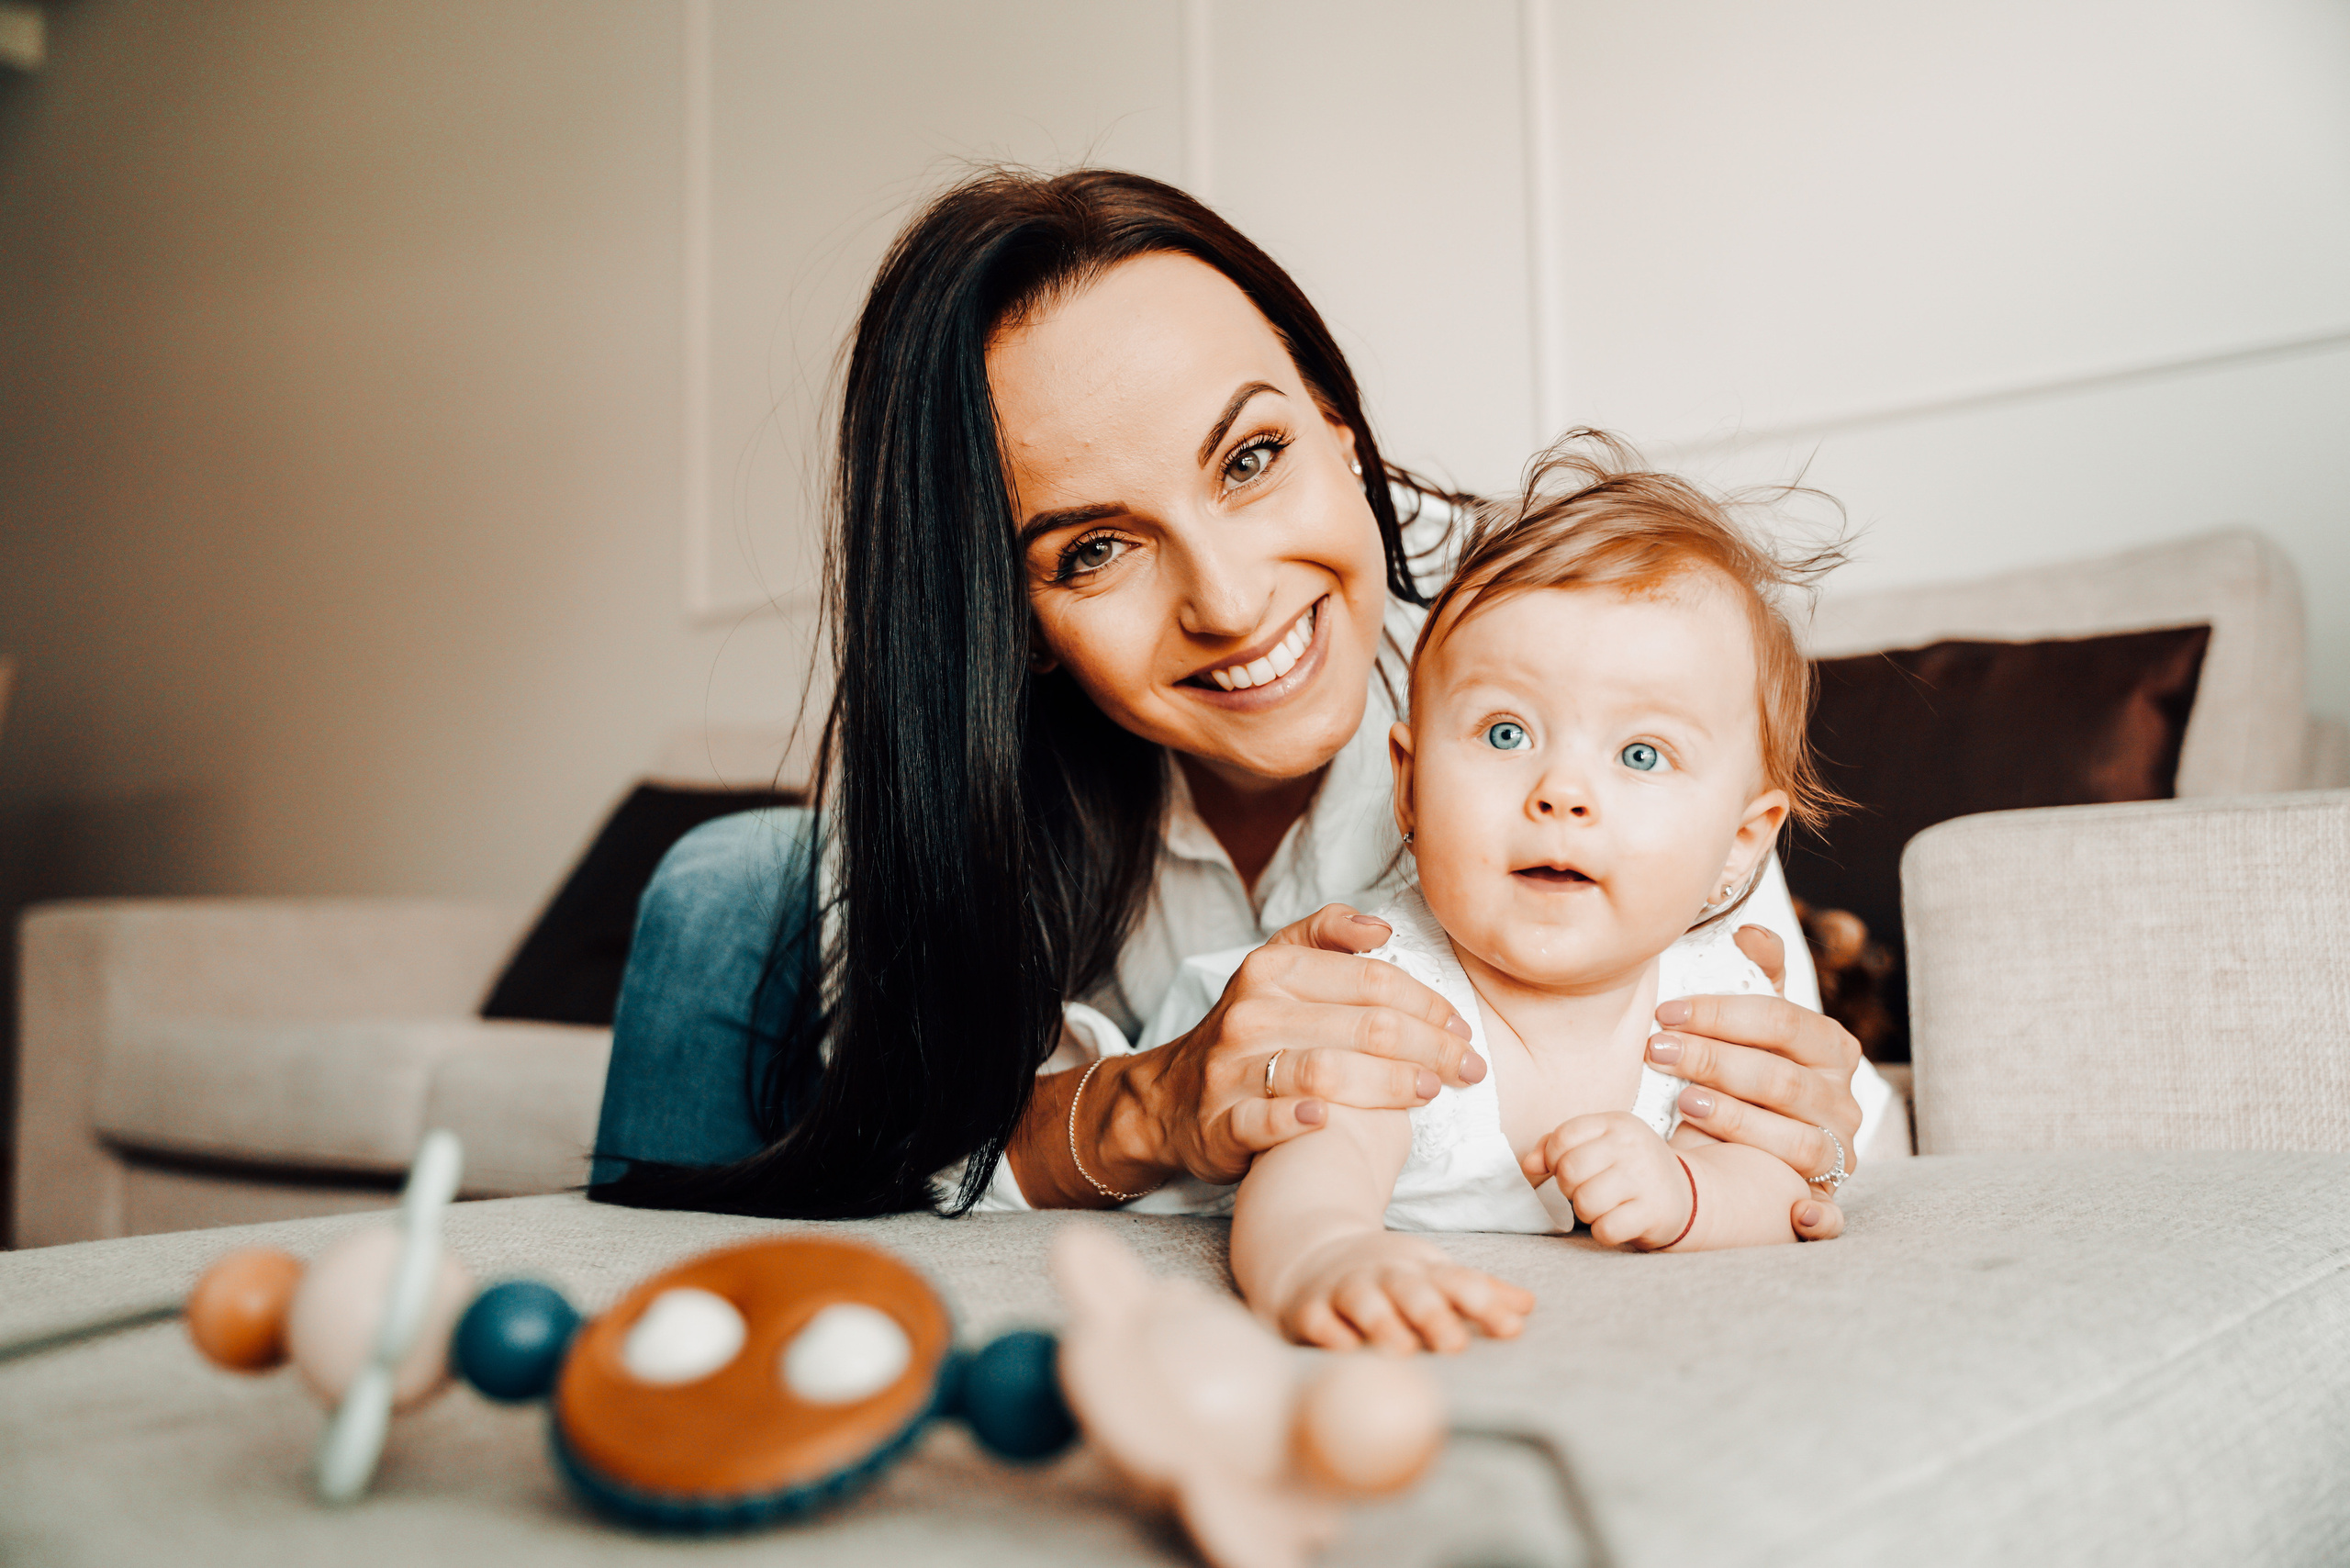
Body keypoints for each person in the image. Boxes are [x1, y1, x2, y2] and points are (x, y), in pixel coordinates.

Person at [589, 168, 1867, 1231]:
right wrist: (1150, 1103)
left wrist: (1793, 1133)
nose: (1230, 600)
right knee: (730, 879)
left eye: (1251, 458)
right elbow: (892, 1145)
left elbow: (1813, 1118)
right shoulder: (970, 762)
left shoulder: (1573, 650)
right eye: (1094, 549)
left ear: (1339, 427)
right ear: (1011, 621)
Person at [1232, 438, 1853, 1353]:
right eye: (1506, 731)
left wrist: (1690, 1193)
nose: (1562, 792)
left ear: (1741, 841)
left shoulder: (1715, 1000)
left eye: (1640, 753)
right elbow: (1313, 1174)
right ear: (1409, 786)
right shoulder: (1384, 993)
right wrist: (1328, 1255)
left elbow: (1782, 1182)